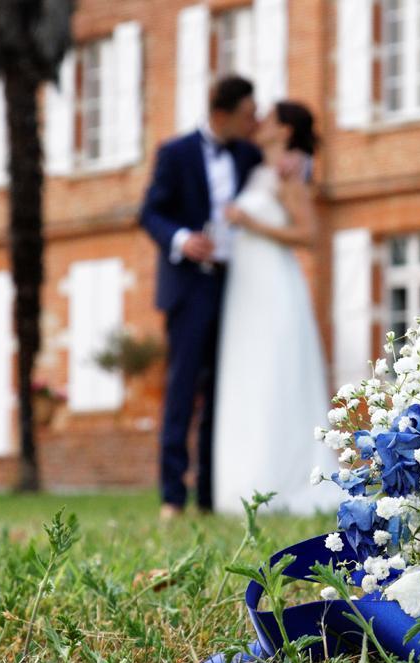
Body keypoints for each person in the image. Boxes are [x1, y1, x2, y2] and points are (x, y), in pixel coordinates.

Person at [139, 77, 262, 520]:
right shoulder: (175, 153)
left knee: (221, 393)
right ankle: (173, 497)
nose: (255, 122)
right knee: (182, 389)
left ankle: (210, 497)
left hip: (236, 287)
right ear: (222, 113)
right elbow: (149, 212)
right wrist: (181, 238)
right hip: (189, 285)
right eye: (248, 113)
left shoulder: (249, 155)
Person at [213, 102, 342, 515]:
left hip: (273, 284)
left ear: (283, 129)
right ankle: (243, 483)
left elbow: (308, 234)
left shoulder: (288, 175)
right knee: (248, 378)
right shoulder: (257, 168)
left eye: (266, 118)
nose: (258, 123)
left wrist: (251, 224)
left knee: (275, 375)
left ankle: (282, 481)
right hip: (245, 290)